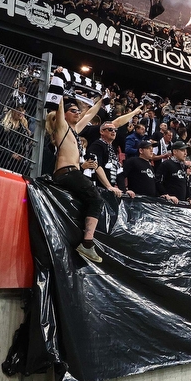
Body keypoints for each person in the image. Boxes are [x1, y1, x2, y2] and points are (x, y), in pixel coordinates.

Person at [48, 92, 121, 264]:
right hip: (66, 172)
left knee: (91, 200)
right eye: (72, 110)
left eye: (77, 110)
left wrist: (102, 101)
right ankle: (87, 243)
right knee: (96, 199)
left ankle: (85, 241)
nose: (77, 112)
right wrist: (59, 87)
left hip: (74, 173)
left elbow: (89, 114)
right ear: (64, 114)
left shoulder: (75, 130)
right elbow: (58, 107)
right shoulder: (62, 127)